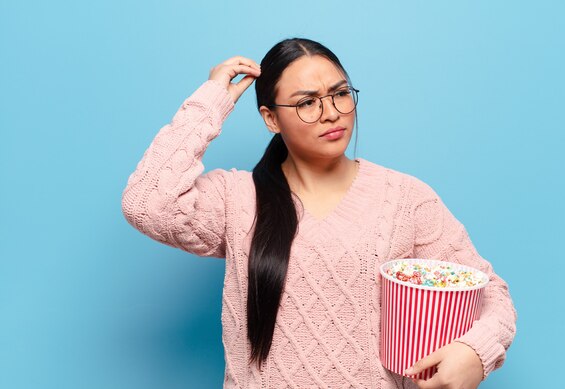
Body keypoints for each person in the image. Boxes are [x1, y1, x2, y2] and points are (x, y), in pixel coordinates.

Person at [121, 38, 517, 388]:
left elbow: (490, 293)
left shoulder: (405, 199)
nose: (331, 113)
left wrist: (476, 351)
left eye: (340, 94)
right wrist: (211, 100)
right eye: (307, 102)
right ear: (271, 118)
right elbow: (147, 203)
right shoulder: (236, 199)